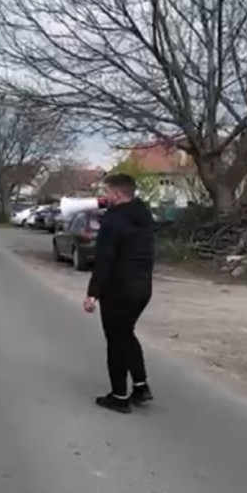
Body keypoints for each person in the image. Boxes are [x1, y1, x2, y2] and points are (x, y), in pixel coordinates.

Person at [83, 173, 156, 414]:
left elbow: (105, 260)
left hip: (118, 290)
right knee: (126, 334)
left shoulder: (113, 222)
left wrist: (93, 293)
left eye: (106, 192)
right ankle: (140, 385)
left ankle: (119, 396)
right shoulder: (143, 216)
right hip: (142, 288)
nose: (104, 197)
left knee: (116, 341)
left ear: (116, 194)